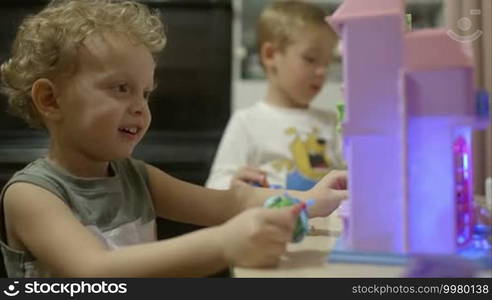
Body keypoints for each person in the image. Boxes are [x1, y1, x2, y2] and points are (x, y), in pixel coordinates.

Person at [0, 0, 347, 278]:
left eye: (145, 93)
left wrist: (311, 200)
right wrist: (224, 245)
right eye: (121, 88)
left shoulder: (138, 177)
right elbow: (95, 270)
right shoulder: (31, 195)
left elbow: (230, 203)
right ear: (50, 100)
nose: (140, 108)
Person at [206, 0, 345, 191]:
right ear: (270, 55)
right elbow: (215, 188)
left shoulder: (331, 122)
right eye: (310, 59)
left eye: (327, 63)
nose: (322, 71)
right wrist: (234, 184)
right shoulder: (247, 122)